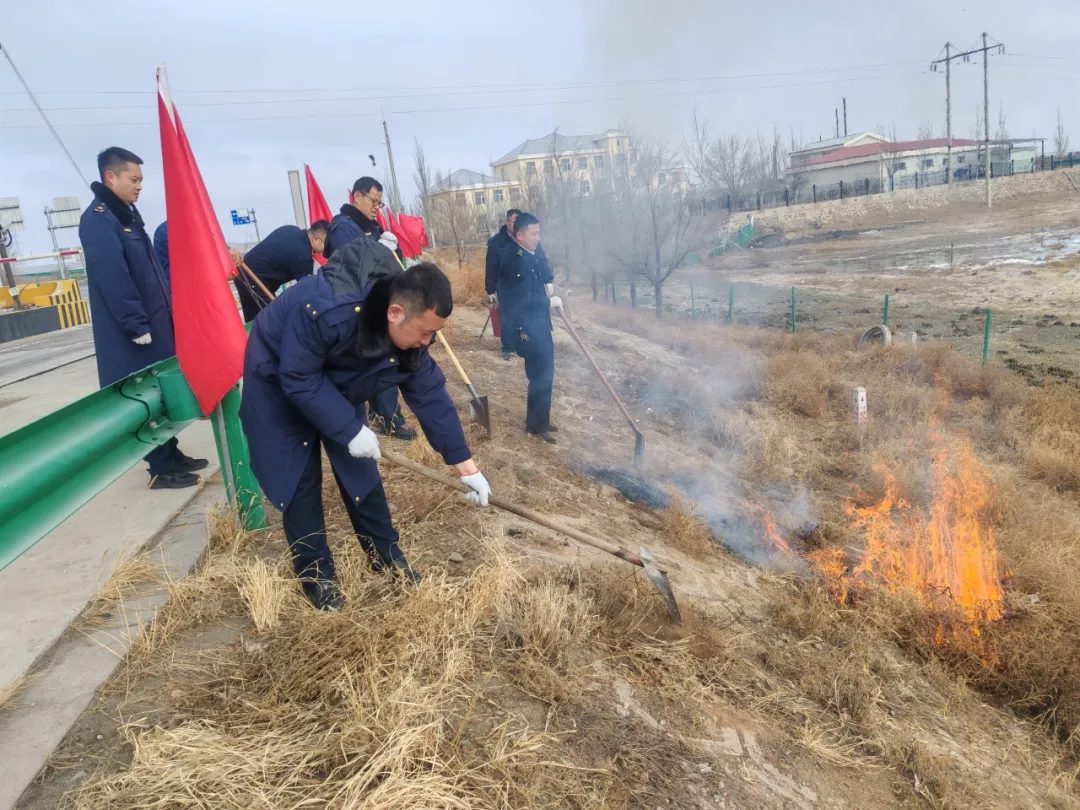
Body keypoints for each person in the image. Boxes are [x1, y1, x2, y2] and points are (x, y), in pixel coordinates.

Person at [239, 259, 492, 611]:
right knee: (299, 478)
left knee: (359, 472)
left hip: (333, 375)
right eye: (423, 332)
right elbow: (298, 377)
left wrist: (465, 465)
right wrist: (348, 427)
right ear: (395, 313)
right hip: (278, 376)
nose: (427, 342)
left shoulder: (410, 338)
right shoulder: (327, 311)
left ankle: (387, 559)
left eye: (434, 334)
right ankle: (317, 577)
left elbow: (430, 395)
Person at [79, 147, 207, 489]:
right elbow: (112, 276)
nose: (139, 186)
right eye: (133, 179)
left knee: (162, 393)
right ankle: (160, 469)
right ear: (111, 176)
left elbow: (151, 272)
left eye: (141, 180)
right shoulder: (99, 219)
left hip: (155, 323)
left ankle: (172, 454)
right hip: (133, 333)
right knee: (145, 398)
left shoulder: (127, 215)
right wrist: (135, 323)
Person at [324, 176, 415, 440]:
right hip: (354, 305)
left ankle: (380, 414)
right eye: (373, 201)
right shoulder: (343, 228)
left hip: (374, 300)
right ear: (357, 197)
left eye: (380, 203)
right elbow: (354, 265)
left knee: (375, 359)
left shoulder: (369, 226)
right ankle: (390, 419)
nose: (377, 207)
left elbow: (387, 262)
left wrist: (394, 251)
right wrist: (379, 250)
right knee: (380, 358)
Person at [495, 213, 561, 444]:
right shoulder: (514, 259)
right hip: (528, 328)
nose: (537, 238)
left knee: (546, 373)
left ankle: (542, 418)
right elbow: (519, 299)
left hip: (539, 324)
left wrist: (547, 287)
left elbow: (535, 284)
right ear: (520, 235)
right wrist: (547, 302)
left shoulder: (529, 254)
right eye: (533, 234)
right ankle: (535, 425)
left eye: (538, 233)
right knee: (539, 376)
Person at [234, 221, 328, 322]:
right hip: (252, 279)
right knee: (266, 323)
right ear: (315, 239)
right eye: (326, 244)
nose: (326, 249)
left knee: (264, 321)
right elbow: (309, 290)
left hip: (249, 275)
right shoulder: (302, 254)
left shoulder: (291, 229)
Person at [485, 209, 520, 361]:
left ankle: (524, 344)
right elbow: (491, 267)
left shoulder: (525, 238)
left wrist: (546, 279)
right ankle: (508, 347)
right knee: (507, 317)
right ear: (507, 222)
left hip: (524, 283)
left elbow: (538, 258)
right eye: (514, 222)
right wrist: (490, 290)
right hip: (505, 286)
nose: (517, 225)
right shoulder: (497, 242)